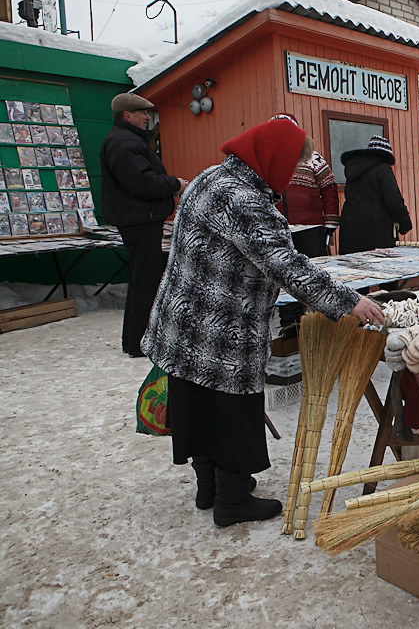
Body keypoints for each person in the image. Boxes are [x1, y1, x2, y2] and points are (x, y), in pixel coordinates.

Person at [141, 114, 384, 528]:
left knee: (199, 406)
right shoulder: (247, 201)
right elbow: (287, 266)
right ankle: (232, 500)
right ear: (270, 159)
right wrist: (348, 302)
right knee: (233, 412)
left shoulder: (208, 179)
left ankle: (209, 488)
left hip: (181, 322)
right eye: (289, 168)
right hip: (221, 331)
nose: (290, 178)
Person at [99, 92, 189, 358]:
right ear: (128, 115)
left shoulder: (124, 140)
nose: (147, 118)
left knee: (146, 279)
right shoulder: (124, 143)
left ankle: (139, 339)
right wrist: (175, 184)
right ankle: (139, 342)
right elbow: (143, 182)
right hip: (140, 220)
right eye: (143, 113)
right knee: (145, 281)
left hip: (140, 219)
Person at [338, 135, 412, 255]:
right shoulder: (383, 169)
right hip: (376, 232)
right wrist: (405, 224)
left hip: (350, 230)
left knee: (353, 269)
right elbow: (394, 199)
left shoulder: (353, 169)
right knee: (380, 270)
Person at [279, 148, 339, 258]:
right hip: (278, 230)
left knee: (317, 267)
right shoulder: (268, 159)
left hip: (310, 229)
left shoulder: (313, 157)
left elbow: (329, 188)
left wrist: (331, 222)